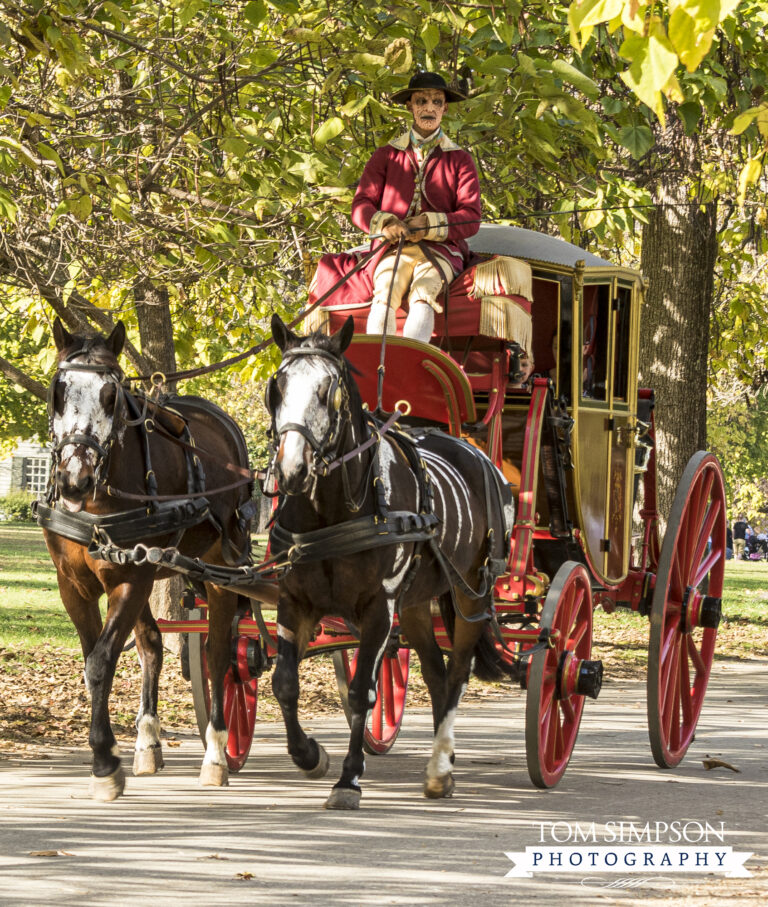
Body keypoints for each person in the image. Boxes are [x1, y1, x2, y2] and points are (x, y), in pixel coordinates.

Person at [350, 71, 481, 343]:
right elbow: (361, 206)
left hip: (442, 251)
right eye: (421, 101)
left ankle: (408, 366)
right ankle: (377, 370)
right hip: (392, 249)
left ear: (445, 108)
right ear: (410, 106)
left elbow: (471, 218)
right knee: (385, 292)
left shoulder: (460, 159)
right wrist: (386, 224)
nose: (429, 108)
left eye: (436, 102)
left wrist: (429, 225)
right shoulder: (385, 155)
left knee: (423, 293)